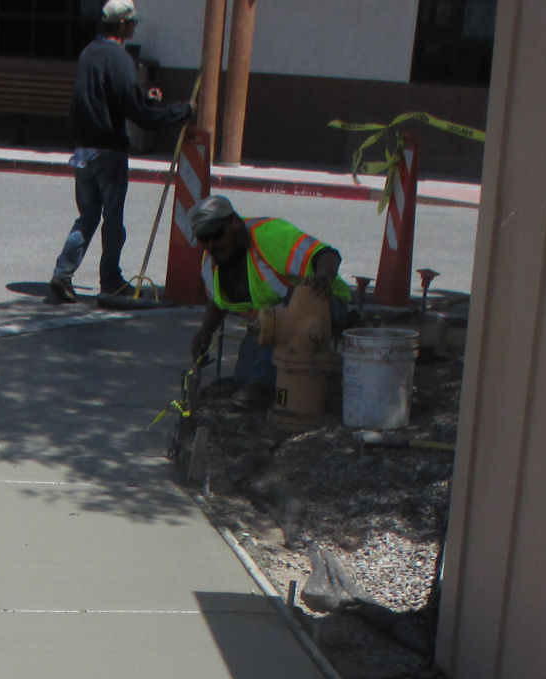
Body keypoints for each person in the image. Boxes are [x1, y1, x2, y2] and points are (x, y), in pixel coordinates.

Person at [47, 0, 194, 305]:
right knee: (113, 221)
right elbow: (140, 115)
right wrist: (182, 111)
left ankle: (63, 273)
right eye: (133, 22)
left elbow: (108, 96)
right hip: (109, 150)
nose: (136, 26)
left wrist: (143, 97)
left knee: (87, 217)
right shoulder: (120, 58)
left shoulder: (89, 52)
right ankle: (111, 281)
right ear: (124, 25)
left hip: (83, 151)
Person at [185, 195, 355, 410]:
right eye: (204, 238)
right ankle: (260, 384)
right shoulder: (212, 263)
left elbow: (326, 254)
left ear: (235, 223)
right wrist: (205, 332)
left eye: (217, 234)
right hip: (269, 322)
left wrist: (323, 278)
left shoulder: (268, 236)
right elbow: (217, 301)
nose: (211, 244)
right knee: (243, 378)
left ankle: (262, 388)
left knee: (287, 324)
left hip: (323, 305)